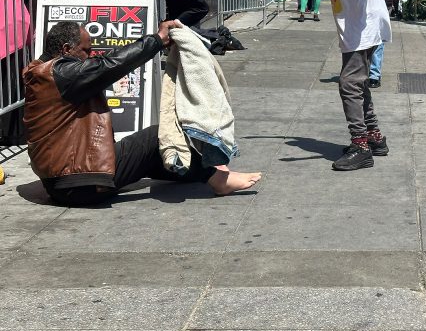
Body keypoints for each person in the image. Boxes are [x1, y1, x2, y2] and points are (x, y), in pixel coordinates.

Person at [23, 20, 261, 207]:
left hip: (63, 183)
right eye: (87, 50)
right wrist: (157, 40)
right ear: (67, 50)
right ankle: (219, 181)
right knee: (157, 136)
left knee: (160, 154)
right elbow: (110, 65)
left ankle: (203, 173)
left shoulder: (41, 72)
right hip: (80, 185)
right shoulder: (62, 74)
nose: (92, 54)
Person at [273, 0, 391, 171]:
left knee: (349, 85)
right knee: (359, 85)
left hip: (364, 30)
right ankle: (375, 138)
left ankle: (360, 146)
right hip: (352, 31)